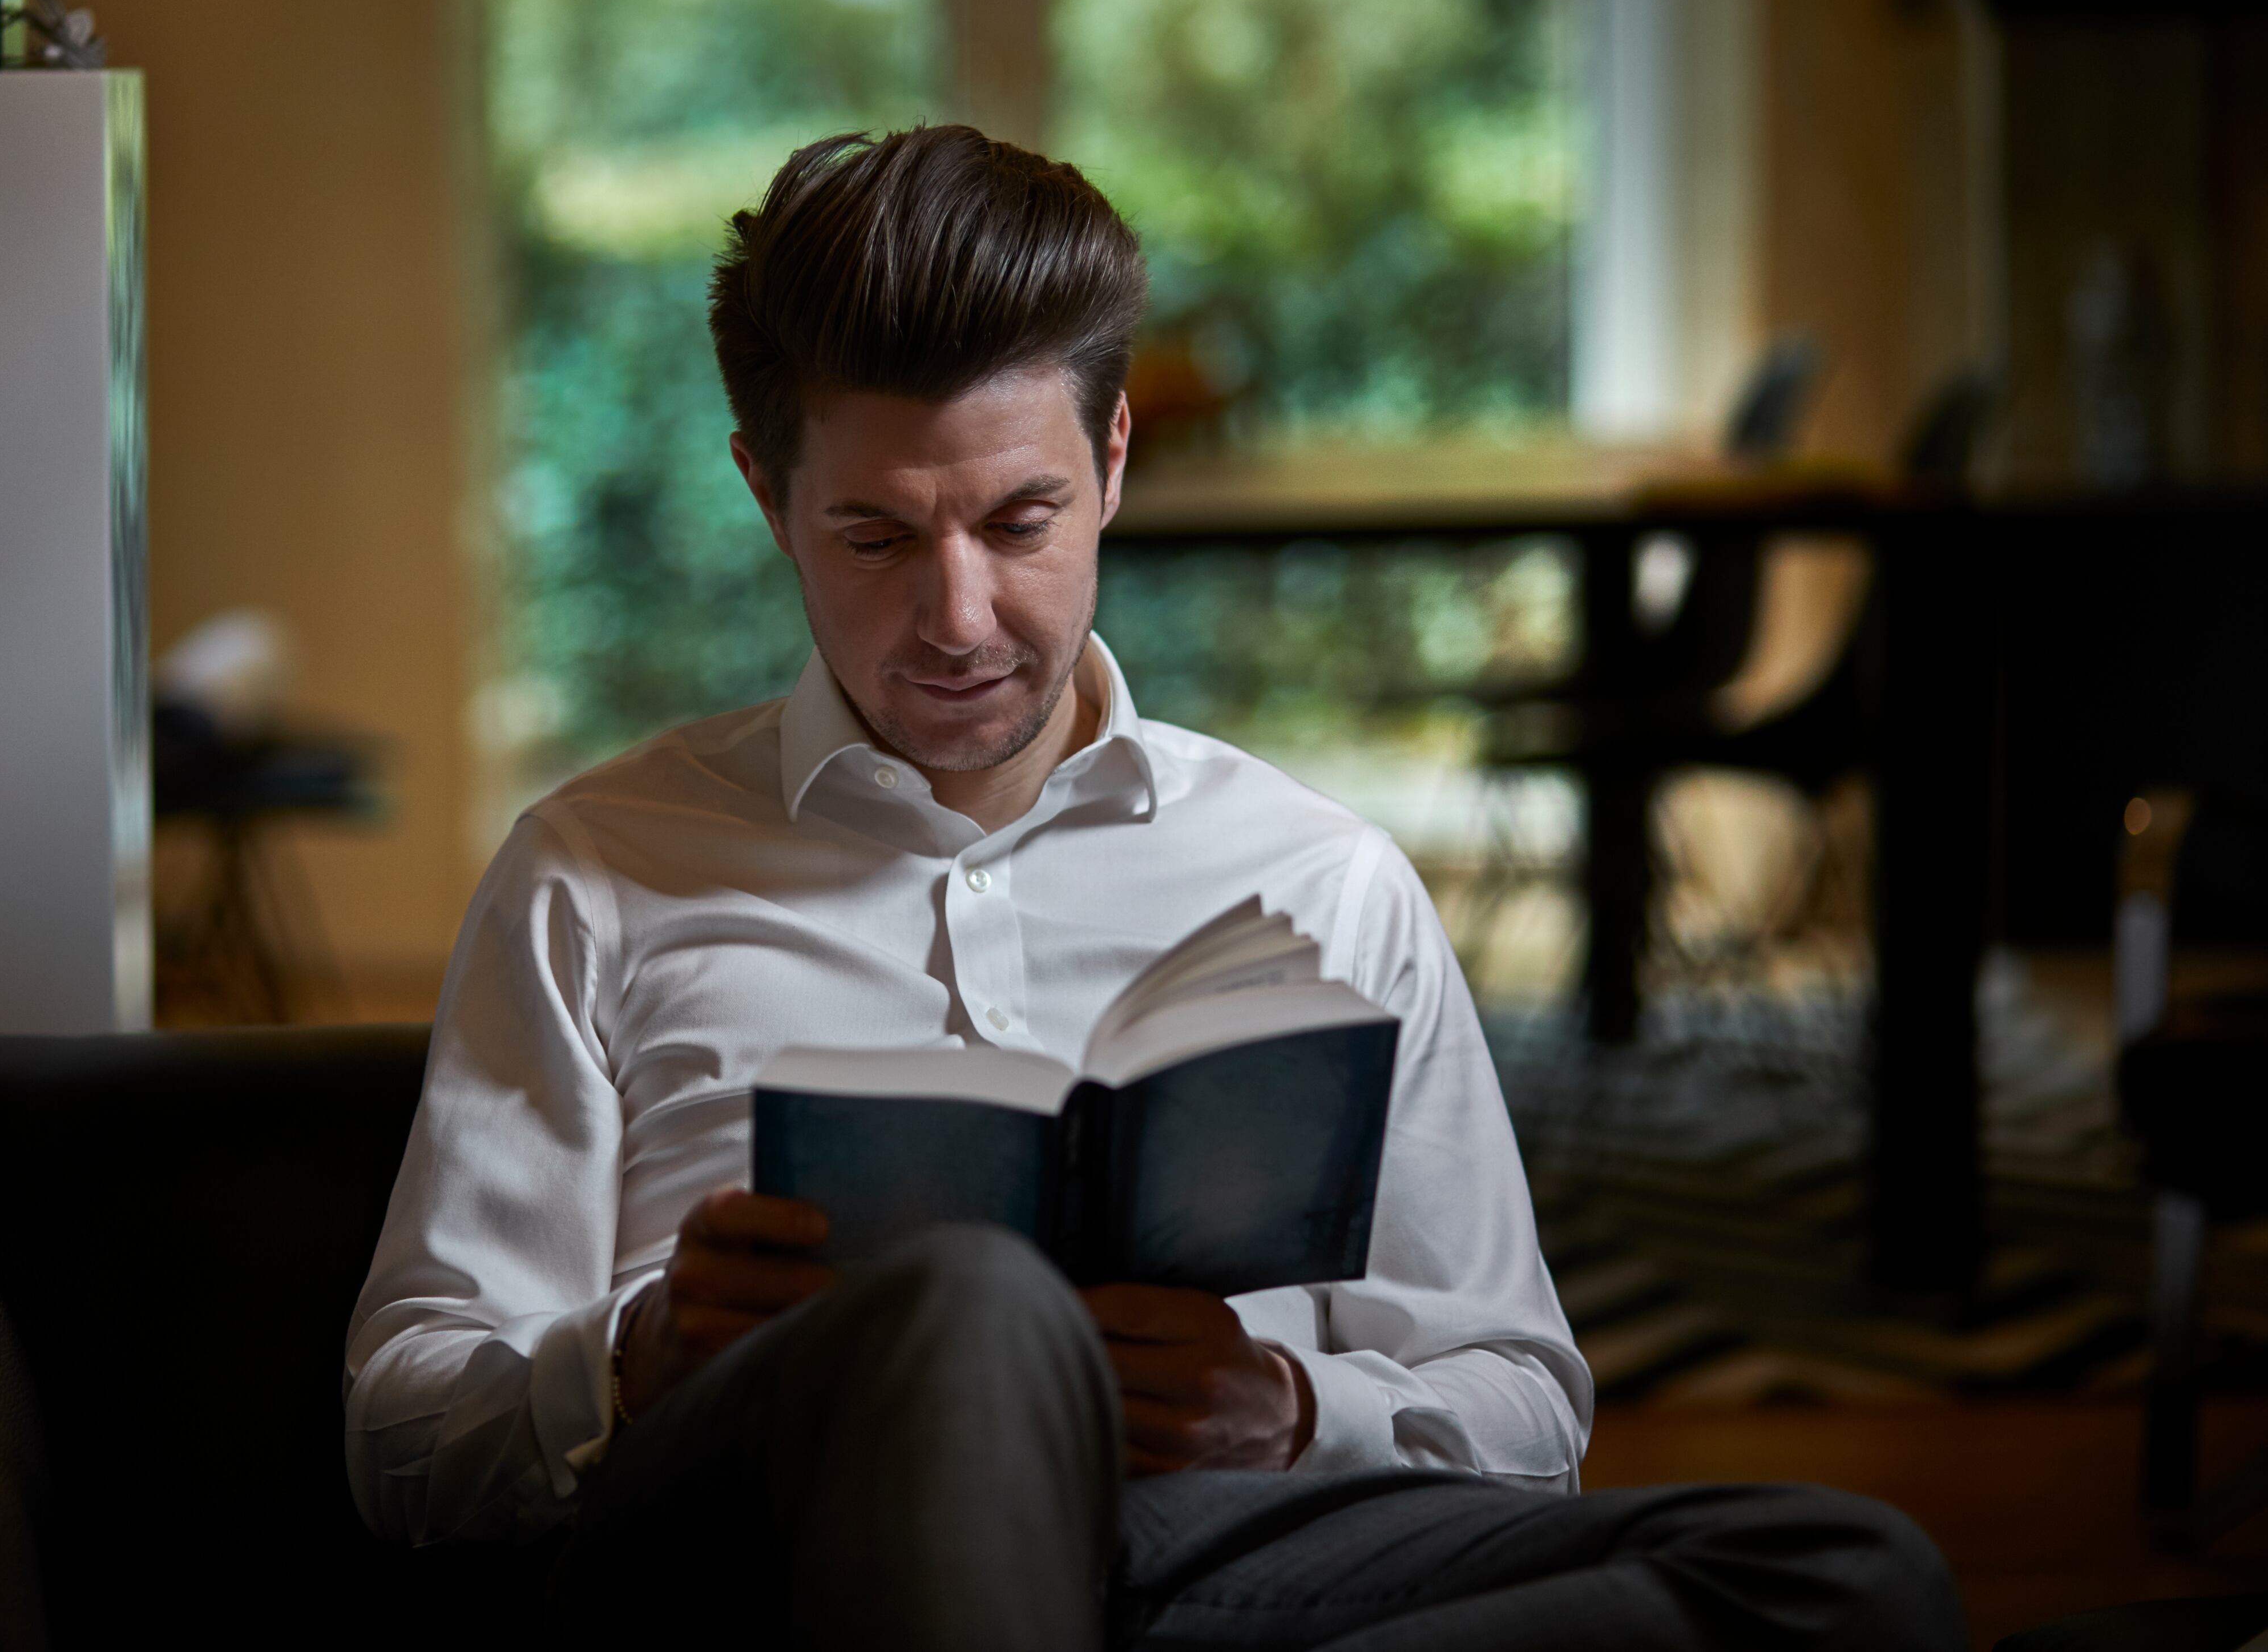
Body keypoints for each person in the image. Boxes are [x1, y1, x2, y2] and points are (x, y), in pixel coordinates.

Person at [345, 124, 1962, 1650]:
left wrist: (1294, 1410)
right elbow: (406, 1436)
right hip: (765, 1569)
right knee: (968, 1304)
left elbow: (1524, 1397)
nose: (962, 616)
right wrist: (635, 1358)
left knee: (1847, 1577)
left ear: (1112, 461)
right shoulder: (598, 873)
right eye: (875, 536)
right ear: (767, 496)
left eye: (1019, 519)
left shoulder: (1321, 880)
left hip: (1221, 1556)